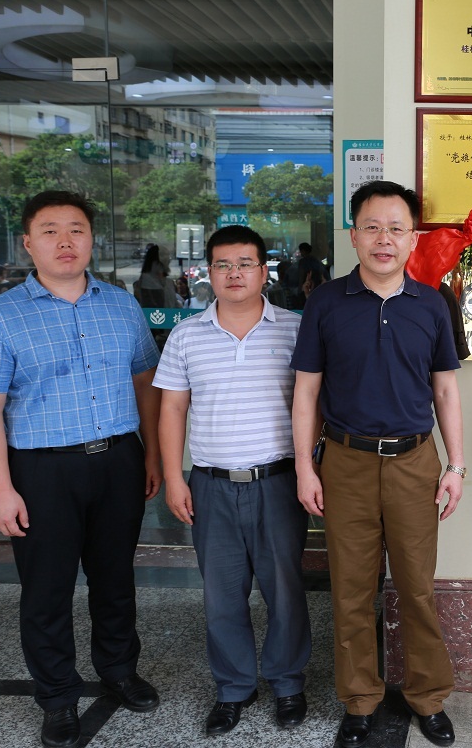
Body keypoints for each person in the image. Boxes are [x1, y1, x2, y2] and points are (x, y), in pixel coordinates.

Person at [0, 190, 163, 748]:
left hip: (117, 460)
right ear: (28, 243)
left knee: (115, 580)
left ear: (92, 239)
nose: (65, 240)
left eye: (76, 229)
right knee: (47, 591)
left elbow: (145, 384)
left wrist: (150, 455)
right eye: (50, 231)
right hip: (41, 471)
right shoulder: (0, 317)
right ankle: (57, 697)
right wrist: (2, 490)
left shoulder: (120, 305)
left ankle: (119, 670)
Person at [291, 179, 465, 748]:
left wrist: (457, 465)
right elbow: (306, 392)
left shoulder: (433, 304)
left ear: (413, 238)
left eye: (396, 228)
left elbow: (446, 391)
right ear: (353, 235)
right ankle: (360, 701)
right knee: (350, 590)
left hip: (416, 462)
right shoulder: (325, 302)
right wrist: (305, 467)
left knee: (417, 588)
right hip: (345, 461)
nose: (383, 239)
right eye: (371, 227)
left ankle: (428, 697)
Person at [154, 225, 311, 736]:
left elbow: (315, 404)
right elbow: (172, 409)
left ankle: (287, 682)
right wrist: (175, 478)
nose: (234, 273)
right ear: (209, 273)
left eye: (245, 263)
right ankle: (233, 688)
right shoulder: (186, 335)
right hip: (211, 485)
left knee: (285, 591)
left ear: (264, 272)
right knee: (222, 594)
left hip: (278, 482)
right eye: (223, 264)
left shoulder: (295, 329)